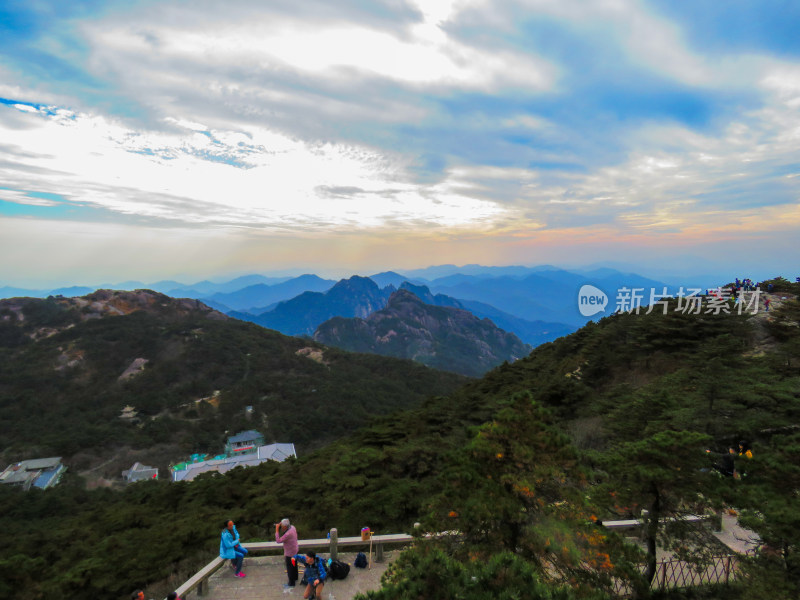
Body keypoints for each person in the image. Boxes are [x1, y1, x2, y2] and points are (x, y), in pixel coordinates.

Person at [276, 518, 299, 588]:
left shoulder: (288, 534)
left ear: (285, 527)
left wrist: (277, 530)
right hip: (295, 550)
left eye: (282, 526)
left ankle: (291, 583)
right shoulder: (292, 527)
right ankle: (295, 577)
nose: (281, 527)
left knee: (290, 568)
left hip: (289, 553)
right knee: (294, 565)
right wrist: (281, 524)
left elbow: (278, 540)